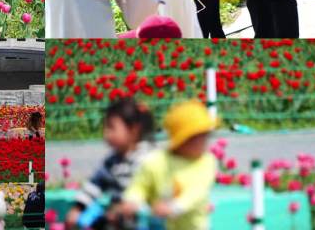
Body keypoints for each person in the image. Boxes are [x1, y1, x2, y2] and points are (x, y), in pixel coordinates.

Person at [120, 100, 217, 230]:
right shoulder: (157, 161)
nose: (203, 141)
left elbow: (196, 193)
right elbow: (140, 184)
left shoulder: (206, 162)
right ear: (181, 139)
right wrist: (132, 199)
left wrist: (174, 207)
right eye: (197, 137)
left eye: (205, 136)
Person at [65, 98, 155, 229]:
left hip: (143, 218)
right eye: (106, 127)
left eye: (111, 128)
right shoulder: (113, 161)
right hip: (117, 217)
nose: (106, 133)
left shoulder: (148, 158)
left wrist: (131, 206)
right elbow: (95, 184)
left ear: (134, 130)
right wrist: (78, 207)